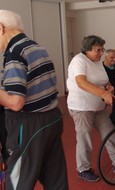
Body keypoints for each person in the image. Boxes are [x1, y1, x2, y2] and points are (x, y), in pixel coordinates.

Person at [0, 10, 68, 189]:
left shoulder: (15, 53)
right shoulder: (37, 48)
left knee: (18, 181)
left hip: (29, 125)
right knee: (55, 179)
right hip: (51, 118)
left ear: (1, 28)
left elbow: (16, 102)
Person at [66, 35, 115, 183]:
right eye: (98, 50)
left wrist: (108, 87)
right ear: (87, 49)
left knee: (109, 132)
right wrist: (103, 93)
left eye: (102, 49)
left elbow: (102, 81)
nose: (101, 53)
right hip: (81, 107)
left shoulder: (97, 62)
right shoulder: (79, 61)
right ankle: (83, 169)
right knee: (85, 138)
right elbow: (81, 82)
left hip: (98, 106)